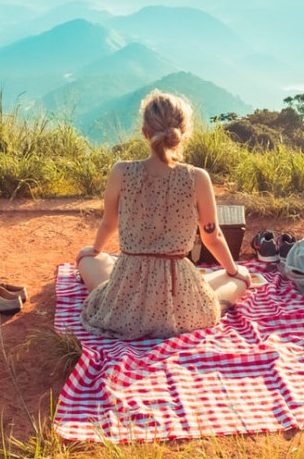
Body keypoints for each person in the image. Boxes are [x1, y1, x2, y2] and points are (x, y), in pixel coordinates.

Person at [75, 90, 252, 340]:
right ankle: (230, 280)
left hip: (128, 290)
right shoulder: (197, 177)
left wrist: (94, 249)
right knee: (238, 278)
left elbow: (109, 223)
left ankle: (106, 269)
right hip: (178, 294)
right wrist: (234, 270)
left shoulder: (121, 171)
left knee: (87, 259)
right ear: (183, 132)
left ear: (144, 132)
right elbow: (212, 237)